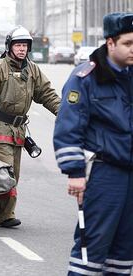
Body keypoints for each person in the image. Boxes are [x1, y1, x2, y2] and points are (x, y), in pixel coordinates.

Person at [54, 12, 133, 275]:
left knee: (125, 250)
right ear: (111, 43)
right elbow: (68, 127)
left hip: (130, 175)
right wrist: (75, 172)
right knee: (92, 248)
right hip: (104, 173)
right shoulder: (86, 78)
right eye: (128, 43)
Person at [0, 26, 60, 228]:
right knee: (7, 172)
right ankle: (5, 215)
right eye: (18, 45)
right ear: (9, 46)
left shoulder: (32, 70)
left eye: (25, 45)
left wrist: (65, 112)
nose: (22, 49)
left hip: (18, 131)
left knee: (3, 173)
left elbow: (46, 93)